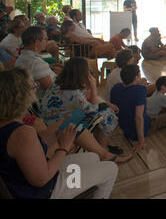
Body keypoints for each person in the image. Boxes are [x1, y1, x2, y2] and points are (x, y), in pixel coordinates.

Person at [0, 67, 119, 199]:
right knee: (111, 168)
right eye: (33, 86)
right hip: (45, 191)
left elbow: (32, 149)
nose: (36, 88)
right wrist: (64, 147)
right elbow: (41, 180)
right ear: (21, 96)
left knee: (93, 157)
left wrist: (59, 128)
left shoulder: (8, 125)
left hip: (26, 182)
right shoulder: (22, 133)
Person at [40, 57, 120, 150]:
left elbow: (84, 99)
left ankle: (98, 144)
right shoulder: (73, 92)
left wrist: (105, 102)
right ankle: (103, 147)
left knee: (104, 109)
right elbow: (93, 111)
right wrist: (94, 86)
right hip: (60, 124)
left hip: (49, 120)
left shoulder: (59, 83)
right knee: (107, 115)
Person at [15, 26, 58, 98]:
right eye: (45, 39)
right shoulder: (35, 62)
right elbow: (52, 90)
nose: (47, 41)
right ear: (37, 42)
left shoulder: (22, 57)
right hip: (46, 102)